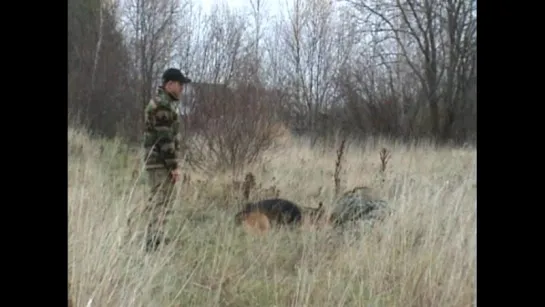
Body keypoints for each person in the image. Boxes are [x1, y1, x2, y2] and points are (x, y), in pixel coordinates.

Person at [142, 68, 191, 251]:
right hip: (159, 163)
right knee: (160, 201)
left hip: (161, 162)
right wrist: (174, 166)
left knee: (164, 202)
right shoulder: (162, 105)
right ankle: (152, 242)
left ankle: (157, 237)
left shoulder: (166, 104)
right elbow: (164, 139)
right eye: (180, 85)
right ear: (169, 84)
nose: (182, 89)